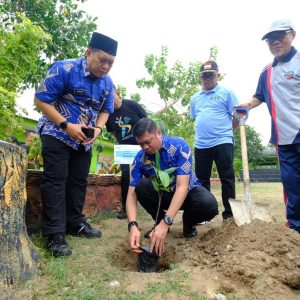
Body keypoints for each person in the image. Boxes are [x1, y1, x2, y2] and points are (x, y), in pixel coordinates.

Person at [34, 32, 118, 257]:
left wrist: (99, 129)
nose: (106, 66)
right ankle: (54, 234)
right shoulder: (64, 69)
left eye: (111, 62)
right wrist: (65, 125)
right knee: (55, 181)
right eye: (102, 60)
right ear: (88, 53)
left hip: (84, 141)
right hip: (57, 133)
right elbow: (40, 99)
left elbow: (106, 110)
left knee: (79, 183)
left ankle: (75, 223)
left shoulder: (108, 83)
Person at [236, 19, 300, 234]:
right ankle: (295, 225)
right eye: (270, 39)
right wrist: (247, 105)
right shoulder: (267, 71)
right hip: (283, 138)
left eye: (280, 36)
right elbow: (259, 96)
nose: (275, 42)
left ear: (292, 35)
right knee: (291, 185)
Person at [127, 118, 218, 256]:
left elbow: (182, 186)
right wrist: (132, 226)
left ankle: (188, 223)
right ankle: (159, 222)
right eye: (141, 144)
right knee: (141, 186)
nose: (145, 147)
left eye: (148, 141)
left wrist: (167, 222)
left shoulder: (180, 147)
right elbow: (131, 194)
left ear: (158, 132)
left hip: (187, 193)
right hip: (164, 195)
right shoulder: (140, 159)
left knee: (209, 205)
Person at [190, 60, 239, 220]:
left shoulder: (227, 93)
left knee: (227, 178)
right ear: (200, 77)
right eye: (204, 76)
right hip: (201, 144)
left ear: (217, 75)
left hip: (223, 141)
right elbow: (196, 118)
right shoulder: (195, 98)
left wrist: (226, 131)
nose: (208, 78)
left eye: (211, 75)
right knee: (202, 180)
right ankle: (206, 215)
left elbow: (238, 116)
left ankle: (229, 215)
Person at [106, 87, 147, 219]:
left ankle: (152, 204)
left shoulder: (132, 105)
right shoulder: (108, 114)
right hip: (124, 150)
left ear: (117, 94)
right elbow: (112, 131)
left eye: (110, 97)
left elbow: (146, 121)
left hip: (141, 147)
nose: (108, 100)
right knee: (125, 178)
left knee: (147, 174)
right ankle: (126, 208)